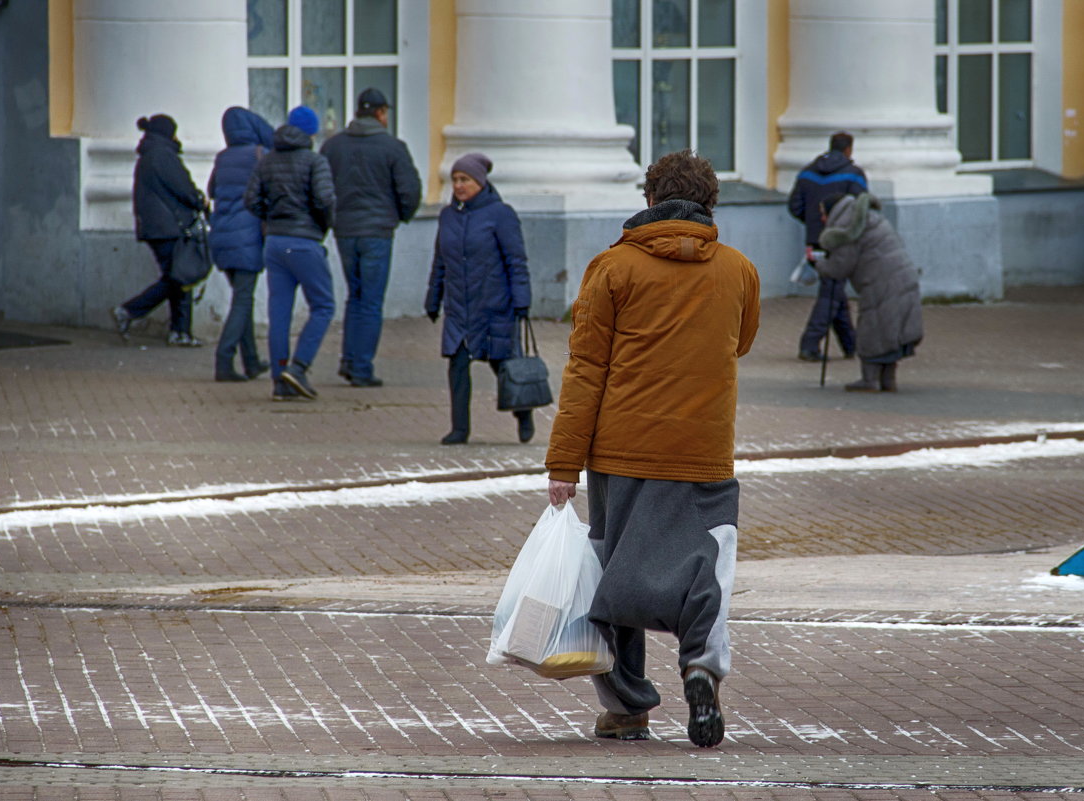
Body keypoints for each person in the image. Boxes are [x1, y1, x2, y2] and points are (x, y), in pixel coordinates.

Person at [546, 150, 760, 748]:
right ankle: (701, 668)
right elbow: (741, 341)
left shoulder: (612, 269)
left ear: (648, 199)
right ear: (711, 203)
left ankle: (626, 710)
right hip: (703, 449)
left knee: (613, 573)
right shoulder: (739, 270)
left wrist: (564, 464)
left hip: (621, 451)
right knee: (707, 565)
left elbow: (586, 370)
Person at [424, 153, 533, 445]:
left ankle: (524, 413)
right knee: (458, 366)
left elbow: (516, 261)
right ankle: (460, 429)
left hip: (495, 306)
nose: (458, 185)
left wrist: (522, 300)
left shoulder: (501, 214)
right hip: (459, 308)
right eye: (455, 180)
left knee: (504, 366)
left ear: (480, 183)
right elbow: (440, 261)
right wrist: (433, 299)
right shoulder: (448, 216)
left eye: (465, 180)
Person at [321, 87, 422, 388]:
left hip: (345, 231)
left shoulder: (332, 146)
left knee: (356, 296)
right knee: (371, 301)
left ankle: (349, 360)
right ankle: (362, 367)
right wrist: (399, 216)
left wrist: (331, 219)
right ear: (380, 113)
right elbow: (410, 191)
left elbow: (321, 187)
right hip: (377, 232)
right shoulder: (393, 147)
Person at [243, 106, 337, 401]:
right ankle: (299, 367)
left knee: (279, 313)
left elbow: (251, 200)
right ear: (311, 132)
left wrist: (271, 219)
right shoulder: (315, 161)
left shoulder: (266, 160)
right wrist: (320, 226)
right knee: (323, 306)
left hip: (274, 242)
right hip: (305, 242)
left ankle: (279, 379)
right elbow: (325, 199)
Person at [113, 114, 207, 346]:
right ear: (168, 132)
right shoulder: (163, 155)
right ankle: (130, 311)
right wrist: (200, 201)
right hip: (170, 228)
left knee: (178, 277)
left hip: (156, 228)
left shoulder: (148, 155)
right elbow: (183, 188)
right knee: (178, 278)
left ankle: (180, 332)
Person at [814, 192, 923, 392]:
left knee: (873, 328)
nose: (822, 218)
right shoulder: (867, 216)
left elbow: (840, 268)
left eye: (823, 213)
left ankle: (869, 379)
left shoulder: (846, 227)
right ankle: (888, 380)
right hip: (902, 277)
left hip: (881, 283)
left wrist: (819, 264)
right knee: (891, 330)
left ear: (833, 211)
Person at [207, 106, 274, 382]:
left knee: (241, 299)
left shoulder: (222, 158)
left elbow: (211, 191)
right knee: (243, 300)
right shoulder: (260, 156)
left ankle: (252, 362)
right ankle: (224, 360)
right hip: (247, 238)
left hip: (222, 236)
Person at [787, 131, 866, 362]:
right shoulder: (854, 175)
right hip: (841, 241)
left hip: (814, 241)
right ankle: (810, 344)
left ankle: (851, 346)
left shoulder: (807, 172)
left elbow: (795, 205)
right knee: (831, 291)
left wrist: (813, 222)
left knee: (834, 290)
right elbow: (859, 211)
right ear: (848, 149)